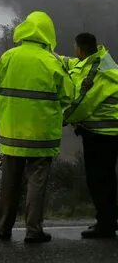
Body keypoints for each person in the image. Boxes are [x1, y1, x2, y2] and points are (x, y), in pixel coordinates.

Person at [0, 11, 74, 243]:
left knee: (9, 182)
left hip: (12, 132)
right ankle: (34, 231)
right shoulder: (51, 61)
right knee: (37, 183)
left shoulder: (8, 57)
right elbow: (68, 95)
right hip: (42, 135)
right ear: (48, 34)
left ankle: (4, 228)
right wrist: (57, 114)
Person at [64, 33, 118, 238]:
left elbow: (81, 104)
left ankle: (105, 224)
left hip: (100, 133)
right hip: (111, 131)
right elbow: (74, 64)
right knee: (108, 178)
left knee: (98, 179)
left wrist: (62, 119)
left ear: (79, 48)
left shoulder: (95, 73)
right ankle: (110, 218)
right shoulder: (103, 61)